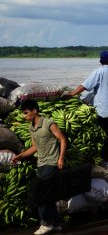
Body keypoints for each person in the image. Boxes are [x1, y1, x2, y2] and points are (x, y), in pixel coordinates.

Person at [12, 99, 67, 235]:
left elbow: (62, 139)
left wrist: (60, 158)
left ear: (34, 111)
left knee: (40, 193)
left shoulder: (49, 123)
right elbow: (35, 147)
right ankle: (56, 223)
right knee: (47, 194)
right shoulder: (32, 128)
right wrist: (21, 155)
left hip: (51, 162)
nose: (24, 116)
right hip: (41, 163)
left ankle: (46, 223)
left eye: (26, 113)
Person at [63, 51, 108, 162]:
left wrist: (72, 93)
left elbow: (85, 85)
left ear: (101, 61)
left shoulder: (98, 72)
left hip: (103, 110)